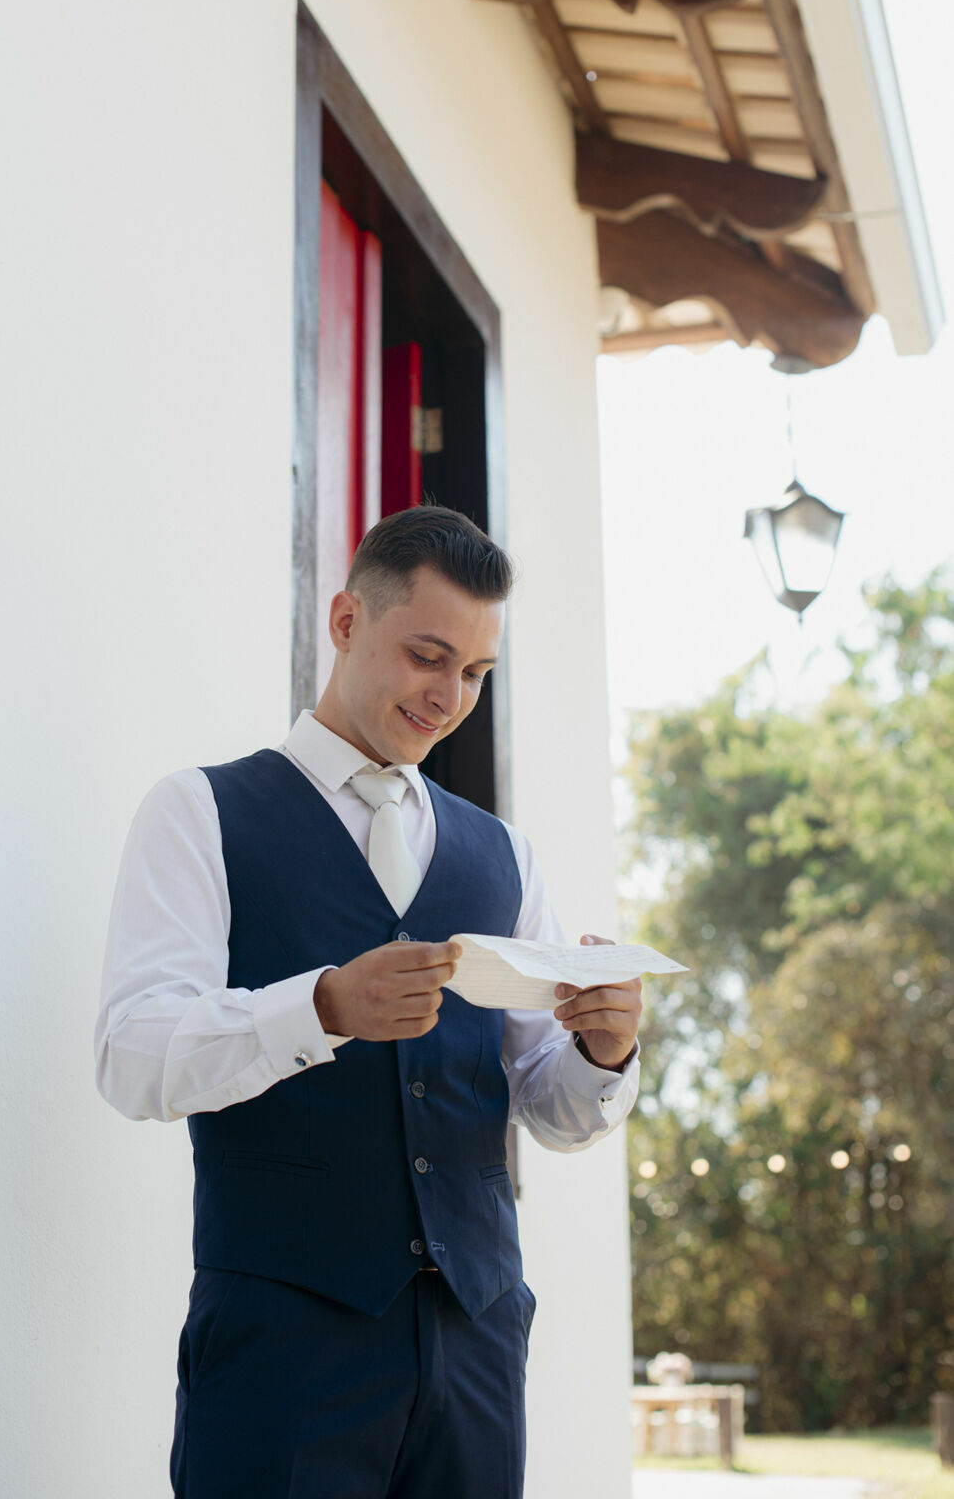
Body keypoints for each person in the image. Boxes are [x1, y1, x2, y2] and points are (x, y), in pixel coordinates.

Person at [95, 504, 642, 1499]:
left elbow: (547, 1103)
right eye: (428, 655)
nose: (449, 696)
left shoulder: (503, 854)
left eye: (476, 672)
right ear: (347, 620)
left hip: (475, 1342)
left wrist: (602, 1056)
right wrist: (323, 1010)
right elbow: (132, 1058)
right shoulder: (200, 813)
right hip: (282, 1349)